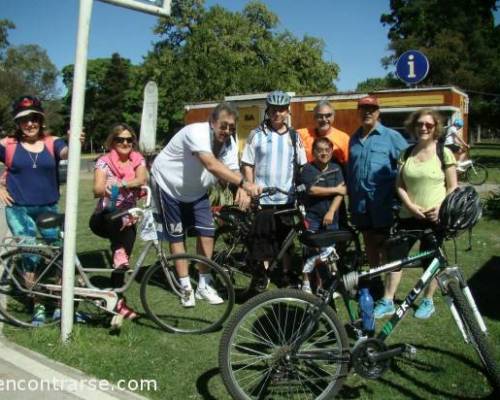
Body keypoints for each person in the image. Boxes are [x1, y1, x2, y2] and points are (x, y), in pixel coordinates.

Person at [151, 102, 260, 307]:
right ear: (212, 122)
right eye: (223, 125)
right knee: (177, 236)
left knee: (207, 233)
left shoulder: (228, 142)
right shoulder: (196, 132)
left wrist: (242, 189)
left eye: (231, 128)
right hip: (167, 184)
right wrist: (244, 183)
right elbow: (210, 164)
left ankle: (204, 283)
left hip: (196, 191)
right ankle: (185, 286)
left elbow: (232, 171)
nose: (227, 130)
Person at [0, 95, 81, 326]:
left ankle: (57, 303)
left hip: (48, 208)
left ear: (41, 120)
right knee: (30, 256)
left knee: (56, 254)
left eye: (34, 118)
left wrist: (74, 142)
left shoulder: (52, 142)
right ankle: (37, 305)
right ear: (17, 123)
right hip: (19, 210)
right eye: (24, 120)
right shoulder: (8, 145)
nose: (30, 124)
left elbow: (67, 153)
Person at [374, 108, 457, 319]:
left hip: (434, 218)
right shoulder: (406, 153)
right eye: (420, 124)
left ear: (436, 127)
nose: (424, 128)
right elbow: (399, 185)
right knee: (396, 259)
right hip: (407, 216)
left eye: (429, 125)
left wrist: (439, 207)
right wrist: (410, 206)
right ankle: (388, 301)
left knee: (432, 261)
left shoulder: (443, 152)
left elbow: (453, 186)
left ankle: (428, 301)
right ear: (413, 126)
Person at [241, 90, 307, 288]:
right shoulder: (256, 134)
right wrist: (250, 187)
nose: (277, 113)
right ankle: (263, 276)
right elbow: (247, 163)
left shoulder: (295, 137)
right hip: (263, 199)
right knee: (263, 240)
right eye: (273, 110)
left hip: (286, 198)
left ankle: (286, 274)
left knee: (286, 240)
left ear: (287, 111)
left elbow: (301, 165)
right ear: (268, 111)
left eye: (281, 110)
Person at [346, 95, 408, 298]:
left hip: (383, 204)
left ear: (378, 112)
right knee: (369, 243)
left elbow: (408, 166)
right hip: (360, 204)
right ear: (358, 112)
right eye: (363, 109)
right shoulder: (353, 139)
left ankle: (388, 293)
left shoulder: (392, 137)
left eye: (371, 109)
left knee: (386, 246)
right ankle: (375, 280)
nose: (367, 113)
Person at [89, 123, 148, 320]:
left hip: (128, 219)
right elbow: (97, 189)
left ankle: (117, 303)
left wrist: (120, 183)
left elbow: (141, 179)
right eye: (120, 139)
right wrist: (108, 188)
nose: (125, 143)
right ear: (112, 142)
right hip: (104, 218)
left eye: (129, 139)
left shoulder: (138, 160)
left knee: (120, 266)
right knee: (115, 224)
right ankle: (118, 250)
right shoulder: (103, 162)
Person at [299, 137, 346, 293]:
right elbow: (312, 189)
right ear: (313, 152)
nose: (323, 153)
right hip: (312, 217)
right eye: (320, 150)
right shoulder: (308, 169)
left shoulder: (336, 168)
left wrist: (331, 211)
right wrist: (335, 190)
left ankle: (324, 285)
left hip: (331, 218)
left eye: (327, 150)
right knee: (310, 251)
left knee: (328, 253)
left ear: (331, 152)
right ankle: (306, 282)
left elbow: (342, 193)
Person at [297, 100, 350, 165]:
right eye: (320, 116)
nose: (324, 119)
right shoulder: (301, 135)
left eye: (328, 115)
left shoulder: (344, 139)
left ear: (333, 117)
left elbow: (348, 165)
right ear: (314, 117)